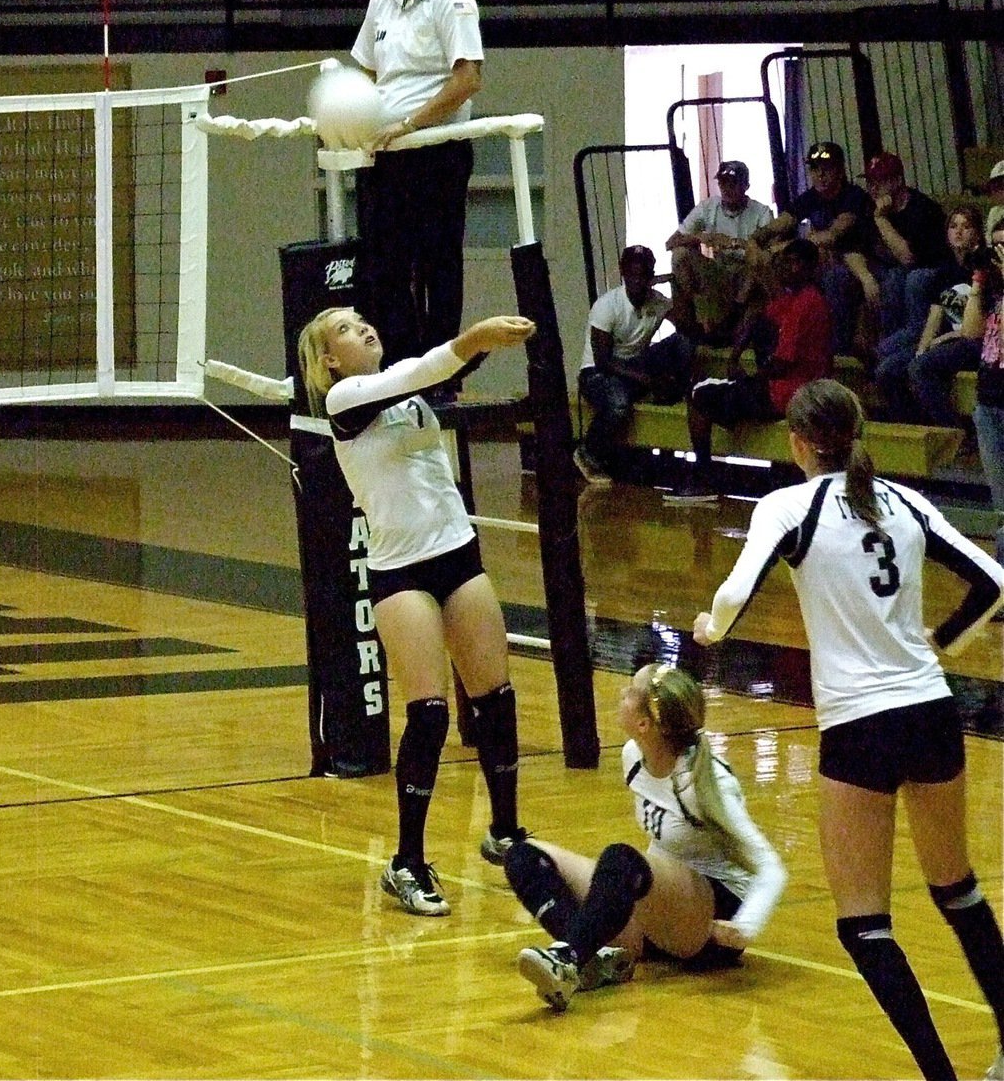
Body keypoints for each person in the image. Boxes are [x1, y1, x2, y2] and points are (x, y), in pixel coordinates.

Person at [693, 378, 1004, 1081]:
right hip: (930, 713)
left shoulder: (788, 506)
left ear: (798, 441)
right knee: (955, 889)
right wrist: (944, 641)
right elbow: (992, 578)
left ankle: (939, 1076)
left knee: (862, 922)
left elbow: (737, 588)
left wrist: (713, 629)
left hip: (859, 726)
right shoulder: (905, 501)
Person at [297, 307, 535, 916]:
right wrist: (474, 339)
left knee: (496, 698)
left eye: (362, 320)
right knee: (428, 714)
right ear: (329, 360)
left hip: (457, 554)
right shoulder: (345, 400)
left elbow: (428, 375)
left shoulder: (409, 394)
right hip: (401, 572)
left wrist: (486, 347)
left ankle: (505, 832)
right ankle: (407, 861)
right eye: (346, 329)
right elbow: (425, 367)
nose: (364, 327)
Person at [504, 662, 786, 1013]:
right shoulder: (633, 756)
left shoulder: (704, 783)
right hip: (655, 906)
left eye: (630, 692)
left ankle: (568, 957)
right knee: (523, 856)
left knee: (621, 857)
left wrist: (745, 926)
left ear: (645, 724)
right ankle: (595, 959)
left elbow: (771, 868)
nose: (621, 693)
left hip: (711, 922)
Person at [351, 0, 484, 367]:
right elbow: (367, 71)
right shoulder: (381, 1)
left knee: (437, 264)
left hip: (436, 154)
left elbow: (467, 79)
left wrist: (409, 124)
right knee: (384, 266)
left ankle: (443, 367)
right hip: (387, 158)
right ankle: (402, 365)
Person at [664, 238, 832, 504]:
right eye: (786, 262)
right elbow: (758, 315)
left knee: (698, 394)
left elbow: (782, 362)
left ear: (811, 268)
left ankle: (703, 477)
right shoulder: (797, 299)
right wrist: (735, 355)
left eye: (795, 263)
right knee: (722, 387)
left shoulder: (806, 304)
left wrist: (750, 379)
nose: (788, 268)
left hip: (786, 393)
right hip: (797, 390)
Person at [574, 244, 694, 485]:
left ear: (651, 275)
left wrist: (675, 284)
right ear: (624, 273)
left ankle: (672, 392)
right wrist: (646, 379)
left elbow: (689, 327)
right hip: (598, 374)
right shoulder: (608, 305)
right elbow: (603, 361)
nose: (638, 281)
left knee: (683, 342)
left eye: (644, 275)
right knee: (618, 405)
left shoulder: (658, 301)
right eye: (633, 275)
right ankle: (588, 453)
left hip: (635, 366)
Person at [755, 141, 873, 356]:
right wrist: (756, 239)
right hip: (824, 262)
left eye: (826, 169)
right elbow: (783, 221)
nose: (820, 175)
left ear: (840, 170)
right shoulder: (810, 197)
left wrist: (784, 246)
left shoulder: (854, 196)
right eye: (814, 169)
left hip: (857, 264)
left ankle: (839, 349)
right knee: (778, 266)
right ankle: (783, 337)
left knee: (835, 278)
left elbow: (833, 234)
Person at [877, 202, 983, 423]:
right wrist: (922, 348)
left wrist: (941, 340)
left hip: (976, 341)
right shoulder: (944, 272)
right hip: (947, 341)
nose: (959, 231)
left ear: (977, 233)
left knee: (920, 368)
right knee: (887, 370)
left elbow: (982, 325)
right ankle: (914, 428)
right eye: (953, 226)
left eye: (966, 226)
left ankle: (953, 432)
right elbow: (934, 316)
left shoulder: (984, 267)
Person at [665, 160, 774, 346]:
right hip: (718, 271)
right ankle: (695, 324)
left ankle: (732, 319)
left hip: (747, 273)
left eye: (734, 183)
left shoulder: (761, 212)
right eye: (723, 183)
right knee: (680, 255)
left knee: (755, 266)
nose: (727, 189)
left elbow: (769, 254)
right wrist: (701, 237)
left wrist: (732, 243)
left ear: (746, 186)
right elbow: (671, 242)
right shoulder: (708, 207)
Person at [857, 151, 948, 342]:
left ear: (897, 180)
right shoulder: (868, 205)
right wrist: (865, 277)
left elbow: (908, 258)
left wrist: (880, 219)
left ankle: (895, 343)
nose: (873, 189)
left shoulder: (922, 210)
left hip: (927, 269)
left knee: (898, 278)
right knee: (840, 276)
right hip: (886, 269)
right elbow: (853, 249)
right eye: (870, 183)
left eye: (879, 182)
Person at [961, 227, 1004, 568]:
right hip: (989, 403)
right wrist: (978, 282)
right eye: (996, 246)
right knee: (1001, 505)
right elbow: (971, 332)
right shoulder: (990, 291)